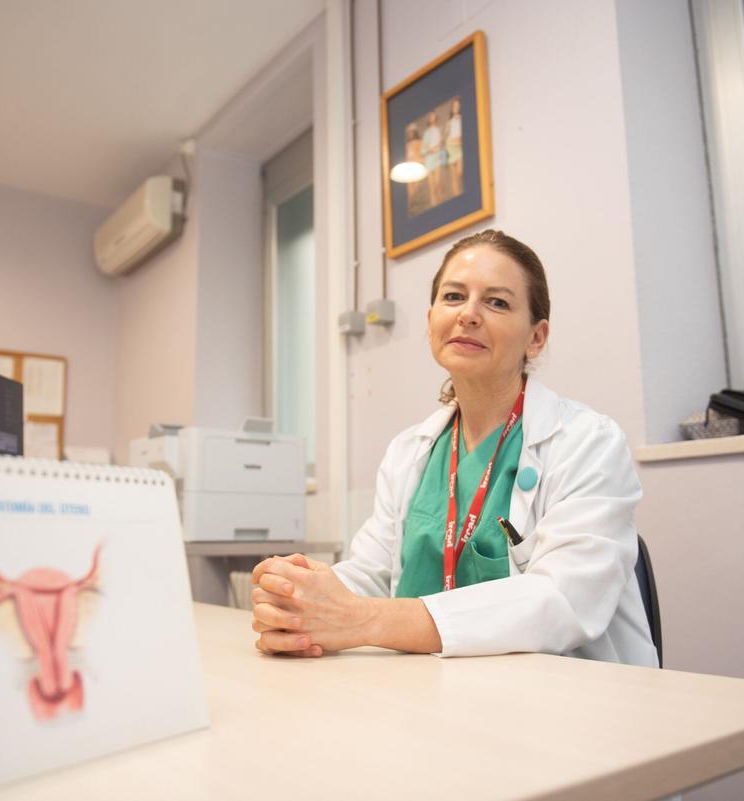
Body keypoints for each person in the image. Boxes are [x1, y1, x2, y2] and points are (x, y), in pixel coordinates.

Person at [250, 229, 657, 666]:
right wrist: (300, 598)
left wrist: (360, 619)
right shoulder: (409, 451)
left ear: (536, 337)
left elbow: (561, 601)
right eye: (453, 297)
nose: (468, 314)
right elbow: (371, 573)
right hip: (428, 688)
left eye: (496, 302)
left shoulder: (587, 442)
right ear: (431, 321)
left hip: (566, 693)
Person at [421, 111, 443, 208]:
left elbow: (441, 144)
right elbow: (423, 148)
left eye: (433, 116)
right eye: (430, 116)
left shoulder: (439, 130)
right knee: (432, 185)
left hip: (437, 157)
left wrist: (438, 148)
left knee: (438, 182)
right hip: (429, 159)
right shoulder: (426, 133)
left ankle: (440, 201)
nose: (432, 118)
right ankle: (434, 204)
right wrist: (429, 149)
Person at [444, 97, 463, 197]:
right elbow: (445, 135)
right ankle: (457, 195)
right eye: (454, 106)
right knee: (454, 177)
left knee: (460, 172)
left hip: (458, 146)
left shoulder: (462, 119)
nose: (456, 108)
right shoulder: (450, 122)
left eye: (458, 106)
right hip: (451, 146)